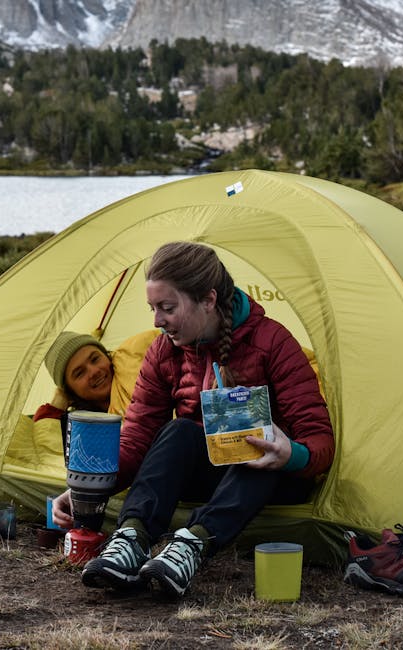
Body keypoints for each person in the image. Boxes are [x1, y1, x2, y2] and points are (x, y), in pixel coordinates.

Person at [50, 241, 335, 599]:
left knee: (250, 446)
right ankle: (131, 539)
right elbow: (137, 440)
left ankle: (191, 545)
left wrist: (290, 453)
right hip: (207, 475)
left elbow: (320, 440)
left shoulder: (273, 342)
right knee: (179, 431)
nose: (157, 321)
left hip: (271, 474)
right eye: (153, 308)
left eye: (167, 308)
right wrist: (85, 491)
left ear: (208, 300)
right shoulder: (164, 351)